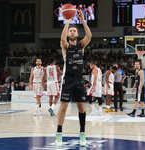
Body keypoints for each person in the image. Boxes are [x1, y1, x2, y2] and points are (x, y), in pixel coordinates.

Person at [56, 9, 92, 146]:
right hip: (68, 80)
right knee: (63, 107)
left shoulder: (81, 46)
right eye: (70, 31)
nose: (72, 32)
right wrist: (67, 22)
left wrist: (83, 21)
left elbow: (89, 36)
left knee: (81, 108)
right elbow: (62, 38)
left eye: (74, 31)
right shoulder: (65, 46)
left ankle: (82, 133)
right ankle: (59, 133)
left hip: (79, 81)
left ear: (77, 34)